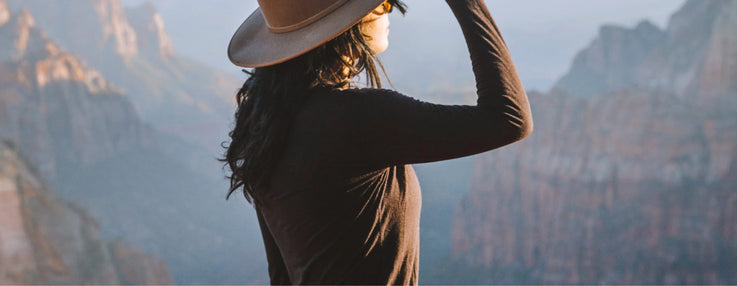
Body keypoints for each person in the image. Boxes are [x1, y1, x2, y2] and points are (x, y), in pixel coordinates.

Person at [220, 0, 532, 284]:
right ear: (342, 27)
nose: (388, 7)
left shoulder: (264, 120)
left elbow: (283, 275)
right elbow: (508, 119)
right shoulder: (356, 118)